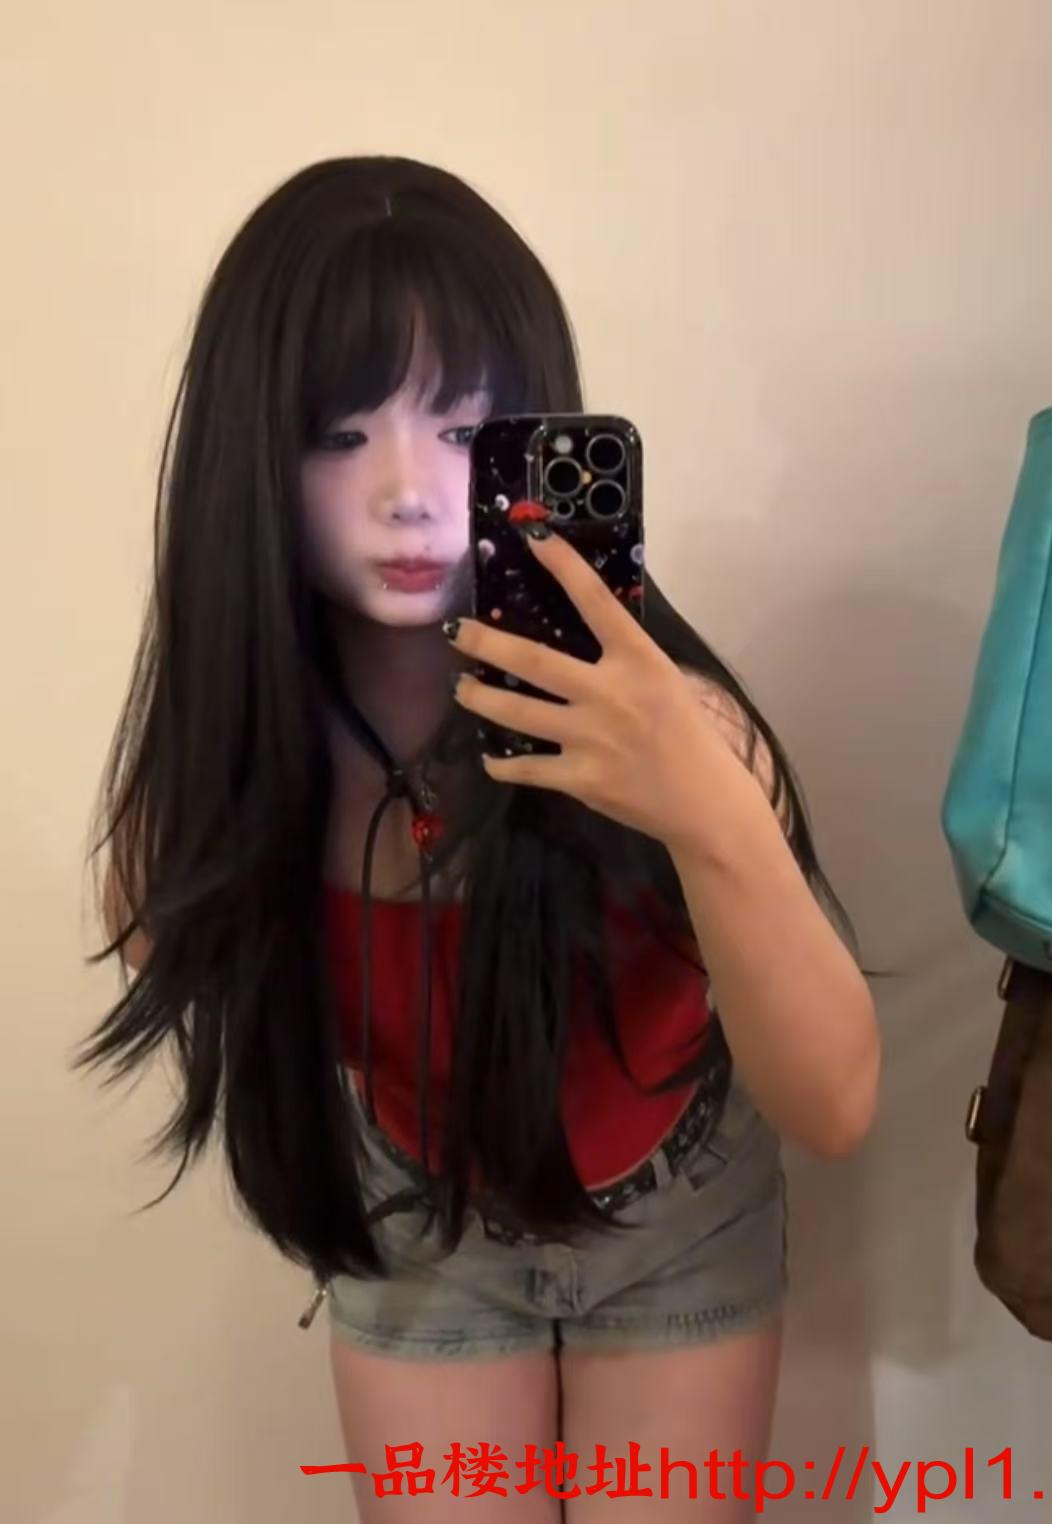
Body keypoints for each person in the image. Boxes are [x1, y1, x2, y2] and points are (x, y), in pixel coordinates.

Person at [78, 155, 880, 1521]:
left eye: (463, 430)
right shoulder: (236, 770)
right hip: (415, 1215)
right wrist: (223, 767)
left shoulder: (678, 726)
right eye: (339, 434)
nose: (406, 491)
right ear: (245, 459)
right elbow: (164, 948)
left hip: (676, 1208)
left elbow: (835, 1106)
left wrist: (708, 812)